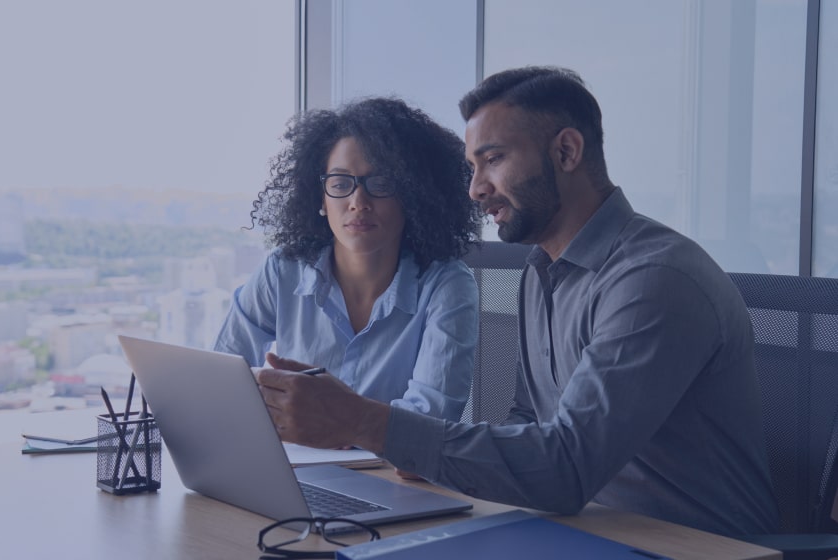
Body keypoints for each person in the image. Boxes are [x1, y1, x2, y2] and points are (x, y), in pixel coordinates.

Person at [255, 67, 780, 537]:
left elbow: (566, 468)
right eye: (472, 166)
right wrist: (425, 449)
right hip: (578, 530)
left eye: (494, 160)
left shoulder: (653, 279)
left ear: (567, 152)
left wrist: (367, 422)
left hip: (688, 546)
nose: (475, 189)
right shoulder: (540, 272)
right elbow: (529, 421)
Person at [214, 97, 481, 422]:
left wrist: (342, 424)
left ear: (412, 196)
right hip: (290, 464)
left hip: (392, 472)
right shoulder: (283, 270)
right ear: (321, 199)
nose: (358, 201)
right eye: (340, 183)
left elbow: (430, 419)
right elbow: (222, 376)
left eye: (380, 183)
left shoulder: (447, 285)